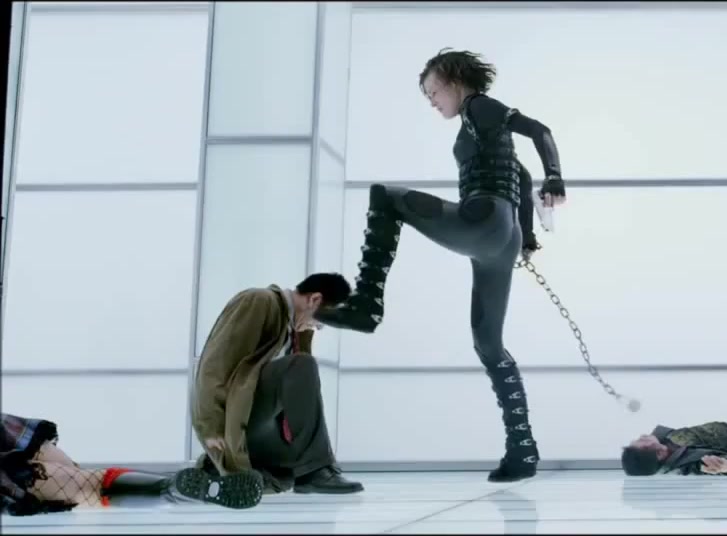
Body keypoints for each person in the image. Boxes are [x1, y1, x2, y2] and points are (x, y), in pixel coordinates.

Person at [312, 49, 566, 483]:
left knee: (385, 196)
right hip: (502, 241)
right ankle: (522, 451)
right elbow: (522, 179)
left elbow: (539, 130)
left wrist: (556, 176)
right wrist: (527, 238)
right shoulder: (485, 131)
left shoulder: (479, 107)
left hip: (482, 220)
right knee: (488, 344)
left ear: (453, 81)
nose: (431, 101)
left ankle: (366, 305)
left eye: (433, 91)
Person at [191, 273, 363, 496]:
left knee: (291, 466)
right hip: (237, 417)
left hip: (261, 427)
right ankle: (314, 471)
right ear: (315, 300)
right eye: (323, 321)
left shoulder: (295, 331)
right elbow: (214, 366)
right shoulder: (259, 301)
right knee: (302, 364)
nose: (319, 327)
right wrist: (210, 427)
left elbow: (297, 400)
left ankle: (214, 470)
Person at [2, 413, 261, 515]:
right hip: (15, 444)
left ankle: (178, 490)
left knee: (92, 486)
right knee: (93, 483)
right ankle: (179, 488)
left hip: (14, 454)